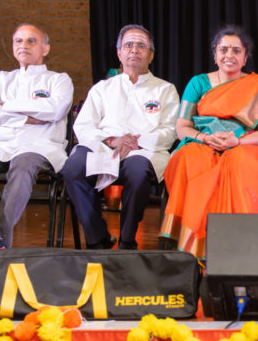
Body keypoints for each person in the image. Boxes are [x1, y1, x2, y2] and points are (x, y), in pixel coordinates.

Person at [161, 25, 258, 257]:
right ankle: (194, 244)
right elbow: (182, 126)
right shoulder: (198, 83)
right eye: (223, 49)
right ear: (215, 55)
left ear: (246, 57)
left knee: (241, 164)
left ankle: (240, 243)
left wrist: (237, 142)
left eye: (237, 50)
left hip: (244, 144)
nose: (229, 55)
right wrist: (205, 137)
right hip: (201, 142)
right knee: (191, 159)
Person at [0, 23, 72, 250]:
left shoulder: (58, 80)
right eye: (18, 41)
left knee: (23, 163)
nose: (23, 45)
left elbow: (55, 110)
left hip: (39, 145)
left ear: (45, 49)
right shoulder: (1, 79)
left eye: (31, 41)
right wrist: (27, 116)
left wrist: (7, 106)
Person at [61, 24, 178, 250]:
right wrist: (112, 140)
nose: (134, 50)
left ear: (151, 55)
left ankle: (127, 240)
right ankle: (98, 239)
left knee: (137, 171)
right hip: (104, 147)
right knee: (73, 168)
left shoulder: (165, 90)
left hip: (144, 151)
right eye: (129, 45)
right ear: (119, 53)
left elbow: (171, 129)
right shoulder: (103, 88)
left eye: (141, 46)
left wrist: (136, 142)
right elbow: (83, 125)